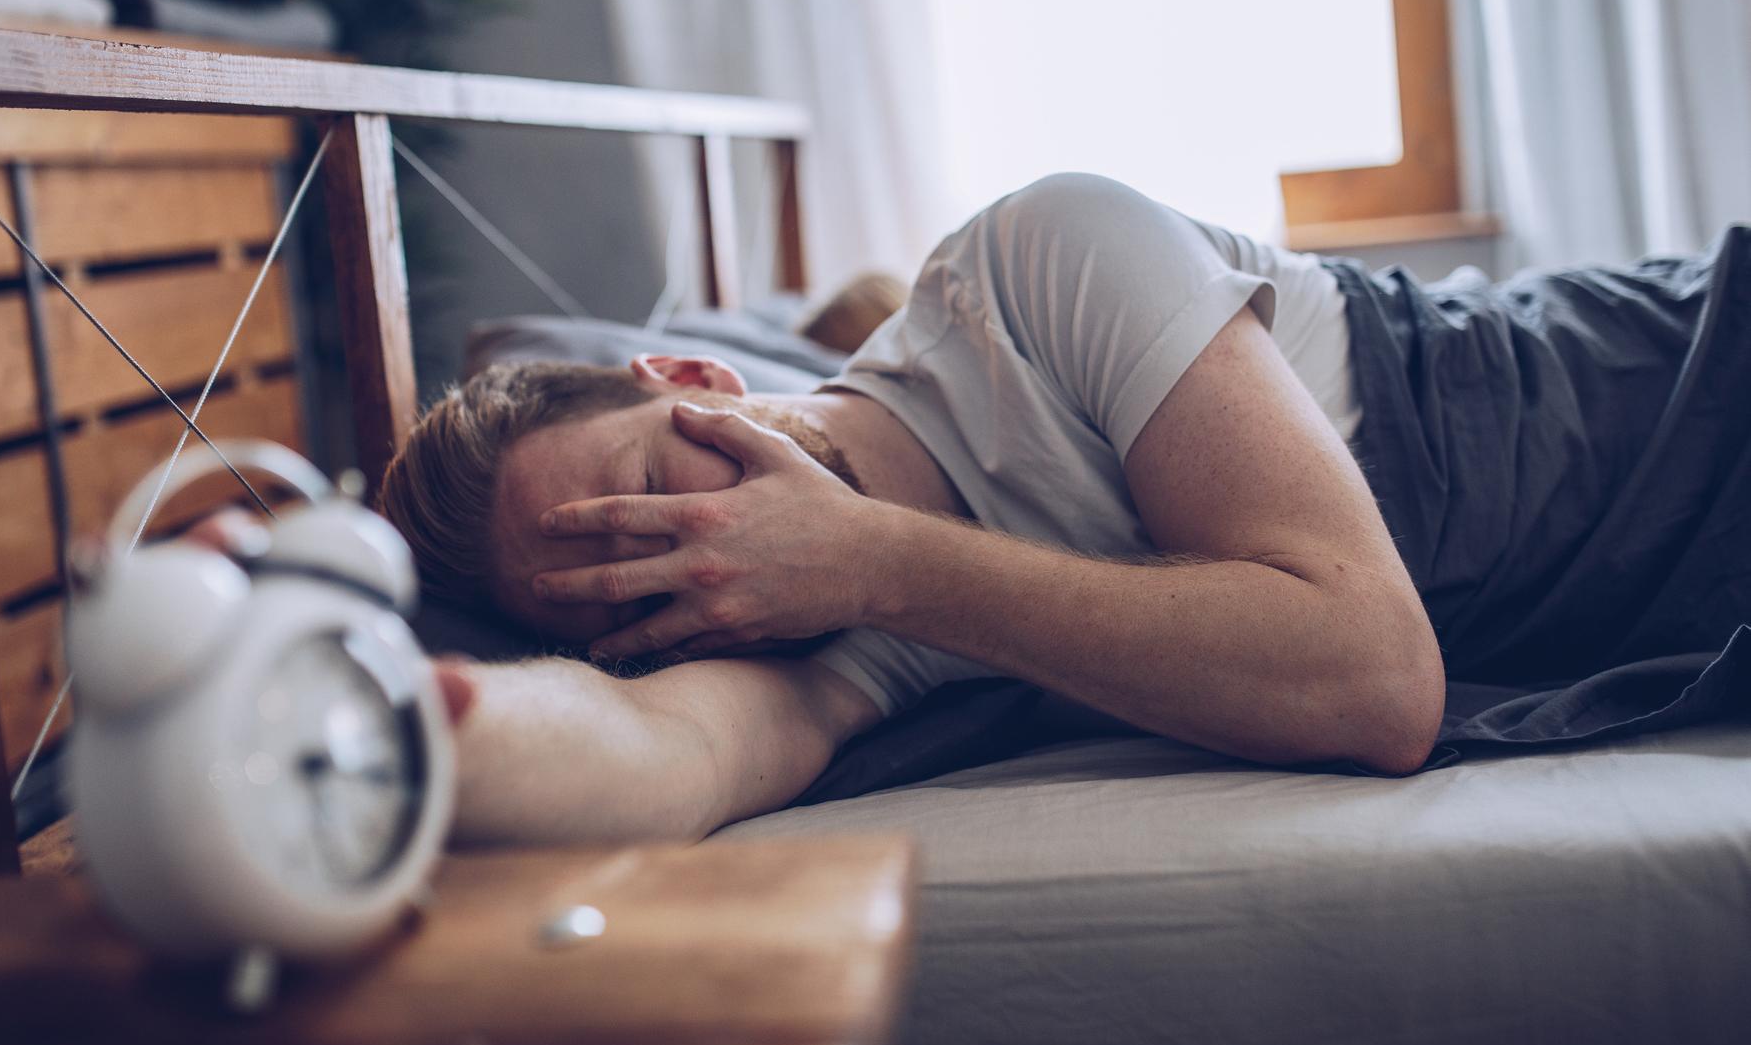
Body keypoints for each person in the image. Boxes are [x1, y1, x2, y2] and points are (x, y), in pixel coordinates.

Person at [374, 172, 1751, 847]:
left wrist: (878, 562)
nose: (697, 562)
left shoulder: (1029, 269)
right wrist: (390, 719)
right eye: (633, 597)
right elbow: (636, 754)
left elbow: (1371, 673)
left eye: (652, 499)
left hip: (1679, 383)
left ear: (689, 376)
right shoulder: (818, 633)